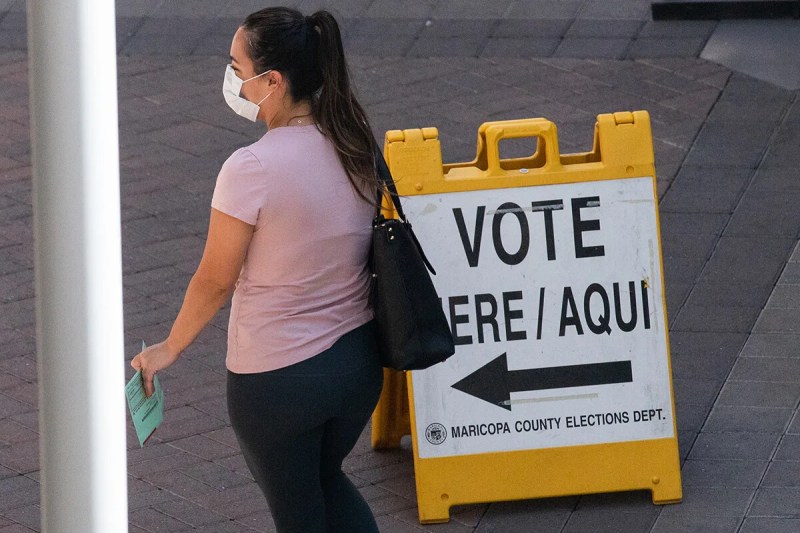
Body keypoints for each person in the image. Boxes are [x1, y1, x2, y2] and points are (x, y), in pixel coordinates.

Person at [131, 7, 384, 532]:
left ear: (272, 80)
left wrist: (169, 347)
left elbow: (215, 278)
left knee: (299, 512)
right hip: (357, 366)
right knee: (326, 481)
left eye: (236, 66)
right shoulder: (356, 144)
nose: (232, 80)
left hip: (277, 381)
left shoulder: (250, 169)